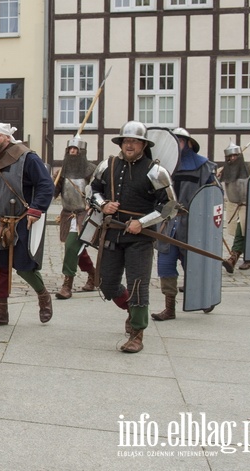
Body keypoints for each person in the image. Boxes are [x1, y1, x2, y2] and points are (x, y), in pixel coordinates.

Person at [89, 121, 175, 353]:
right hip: (112, 233)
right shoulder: (108, 165)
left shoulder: (155, 171)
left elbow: (169, 206)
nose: (129, 145)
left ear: (143, 145)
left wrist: (142, 222)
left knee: (137, 285)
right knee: (106, 284)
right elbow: (93, 190)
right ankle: (131, 310)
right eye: (126, 140)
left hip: (140, 238)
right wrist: (103, 204)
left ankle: (137, 333)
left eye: (134, 141)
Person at [0, 123, 54, 327]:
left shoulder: (26, 157)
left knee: (24, 266)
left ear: (7, 138)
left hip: (21, 219)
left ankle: (43, 295)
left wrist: (36, 209)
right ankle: (1, 313)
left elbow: (46, 184)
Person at [152, 128, 217, 321]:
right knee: (165, 265)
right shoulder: (160, 167)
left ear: (189, 143)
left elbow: (213, 196)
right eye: (175, 141)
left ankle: (204, 298)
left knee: (195, 264)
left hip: (192, 224)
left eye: (180, 141)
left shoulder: (202, 166)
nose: (177, 145)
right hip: (166, 223)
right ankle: (169, 308)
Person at [53, 136, 98, 299]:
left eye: (75, 149)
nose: (72, 151)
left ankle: (67, 285)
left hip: (84, 215)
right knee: (77, 249)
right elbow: (53, 192)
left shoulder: (91, 171)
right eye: (70, 149)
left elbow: (98, 192)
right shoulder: (62, 173)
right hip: (67, 215)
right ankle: (94, 275)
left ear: (82, 151)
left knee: (71, 247)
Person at [217, 142, 250, 271]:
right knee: (241, 232)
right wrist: (216, 175)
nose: (232, 158)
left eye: (235, 156)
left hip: (248, 205)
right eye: (230, 156)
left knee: (242, 231)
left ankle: (235, 257)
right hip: (233, 205)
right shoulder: (224, 170)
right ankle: (242, 257)